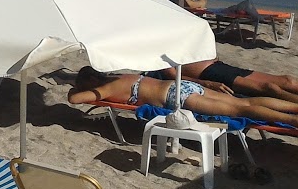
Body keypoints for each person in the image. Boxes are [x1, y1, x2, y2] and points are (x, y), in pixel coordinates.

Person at [69, 66, 298, 126]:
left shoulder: (106, 89)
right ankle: (294, 108)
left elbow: (74, 100)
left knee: (241, 109)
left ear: (90, 82)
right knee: (242, 101)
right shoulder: (121, 76)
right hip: (183, 85)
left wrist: (74, 90)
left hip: (176, 98)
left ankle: (292, 120)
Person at [145, 59, 298, 103]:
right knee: (269, 88)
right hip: (208, 73)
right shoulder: (161, 42)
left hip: (220, 66)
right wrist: (206, 83)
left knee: (287, 81)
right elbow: (172, 75)